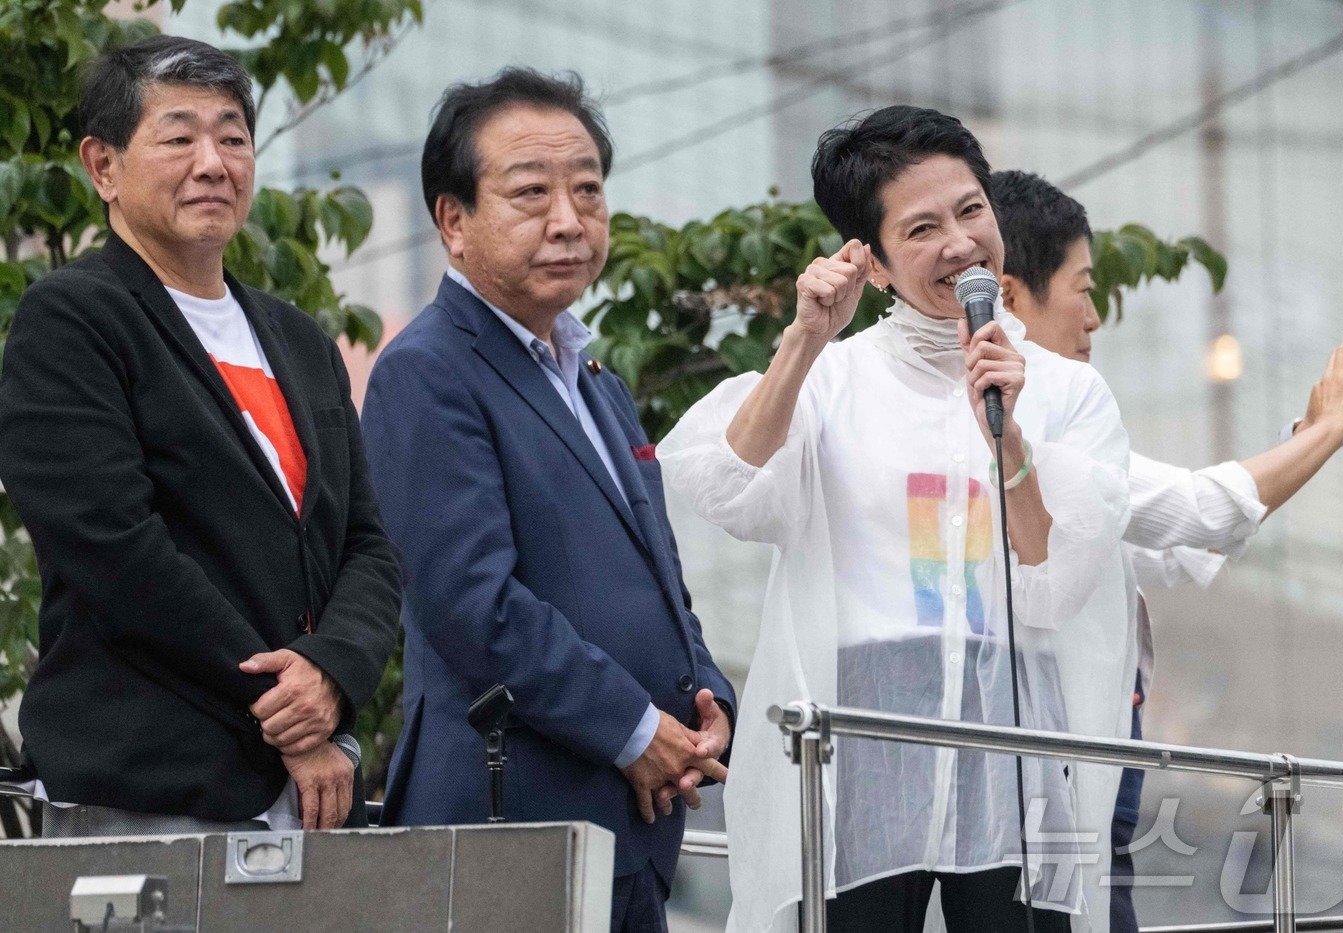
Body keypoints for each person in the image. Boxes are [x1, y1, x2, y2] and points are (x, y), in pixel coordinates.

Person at [659, 107, 1136, 933]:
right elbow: (730, 486)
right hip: (859, 749)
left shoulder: (1065, 390)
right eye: (922, 227)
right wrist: (804, 341)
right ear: (872, 263)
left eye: (971, 210)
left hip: (1014, 755)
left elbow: (1055, 580)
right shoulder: (835, 378)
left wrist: (1010, 433)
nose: (960, 243)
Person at [359, 68, 736, 932]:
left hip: (630, 821)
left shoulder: (593, 376)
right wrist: (637, 729)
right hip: (509, 817)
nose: (569, 220)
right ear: (453, 221)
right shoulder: (429, 371)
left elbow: (659, 578)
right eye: (531, 193)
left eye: (588, 191)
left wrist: (703, 698)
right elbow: (473, 604)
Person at [0, 36, 401, 836]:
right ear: (102, 166)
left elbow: (369, 546)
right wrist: (282, 707)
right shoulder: (73, 319)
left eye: (233, 136)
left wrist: (330, 674)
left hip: (306, 793)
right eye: (179, 136)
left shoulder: (301, 340)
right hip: (149, 787)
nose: (213, 162)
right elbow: (115, 547)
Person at [989, 168, 1343, 932]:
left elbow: (1174, 545)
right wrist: (1327, 434)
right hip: (1058, 759)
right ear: (1008, 296)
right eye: (1084, 287)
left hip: (1086, 752)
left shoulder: (1038, 410)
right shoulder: (1031, 415)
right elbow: (1197, 514)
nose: (1095, 318)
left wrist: (1308, 441)